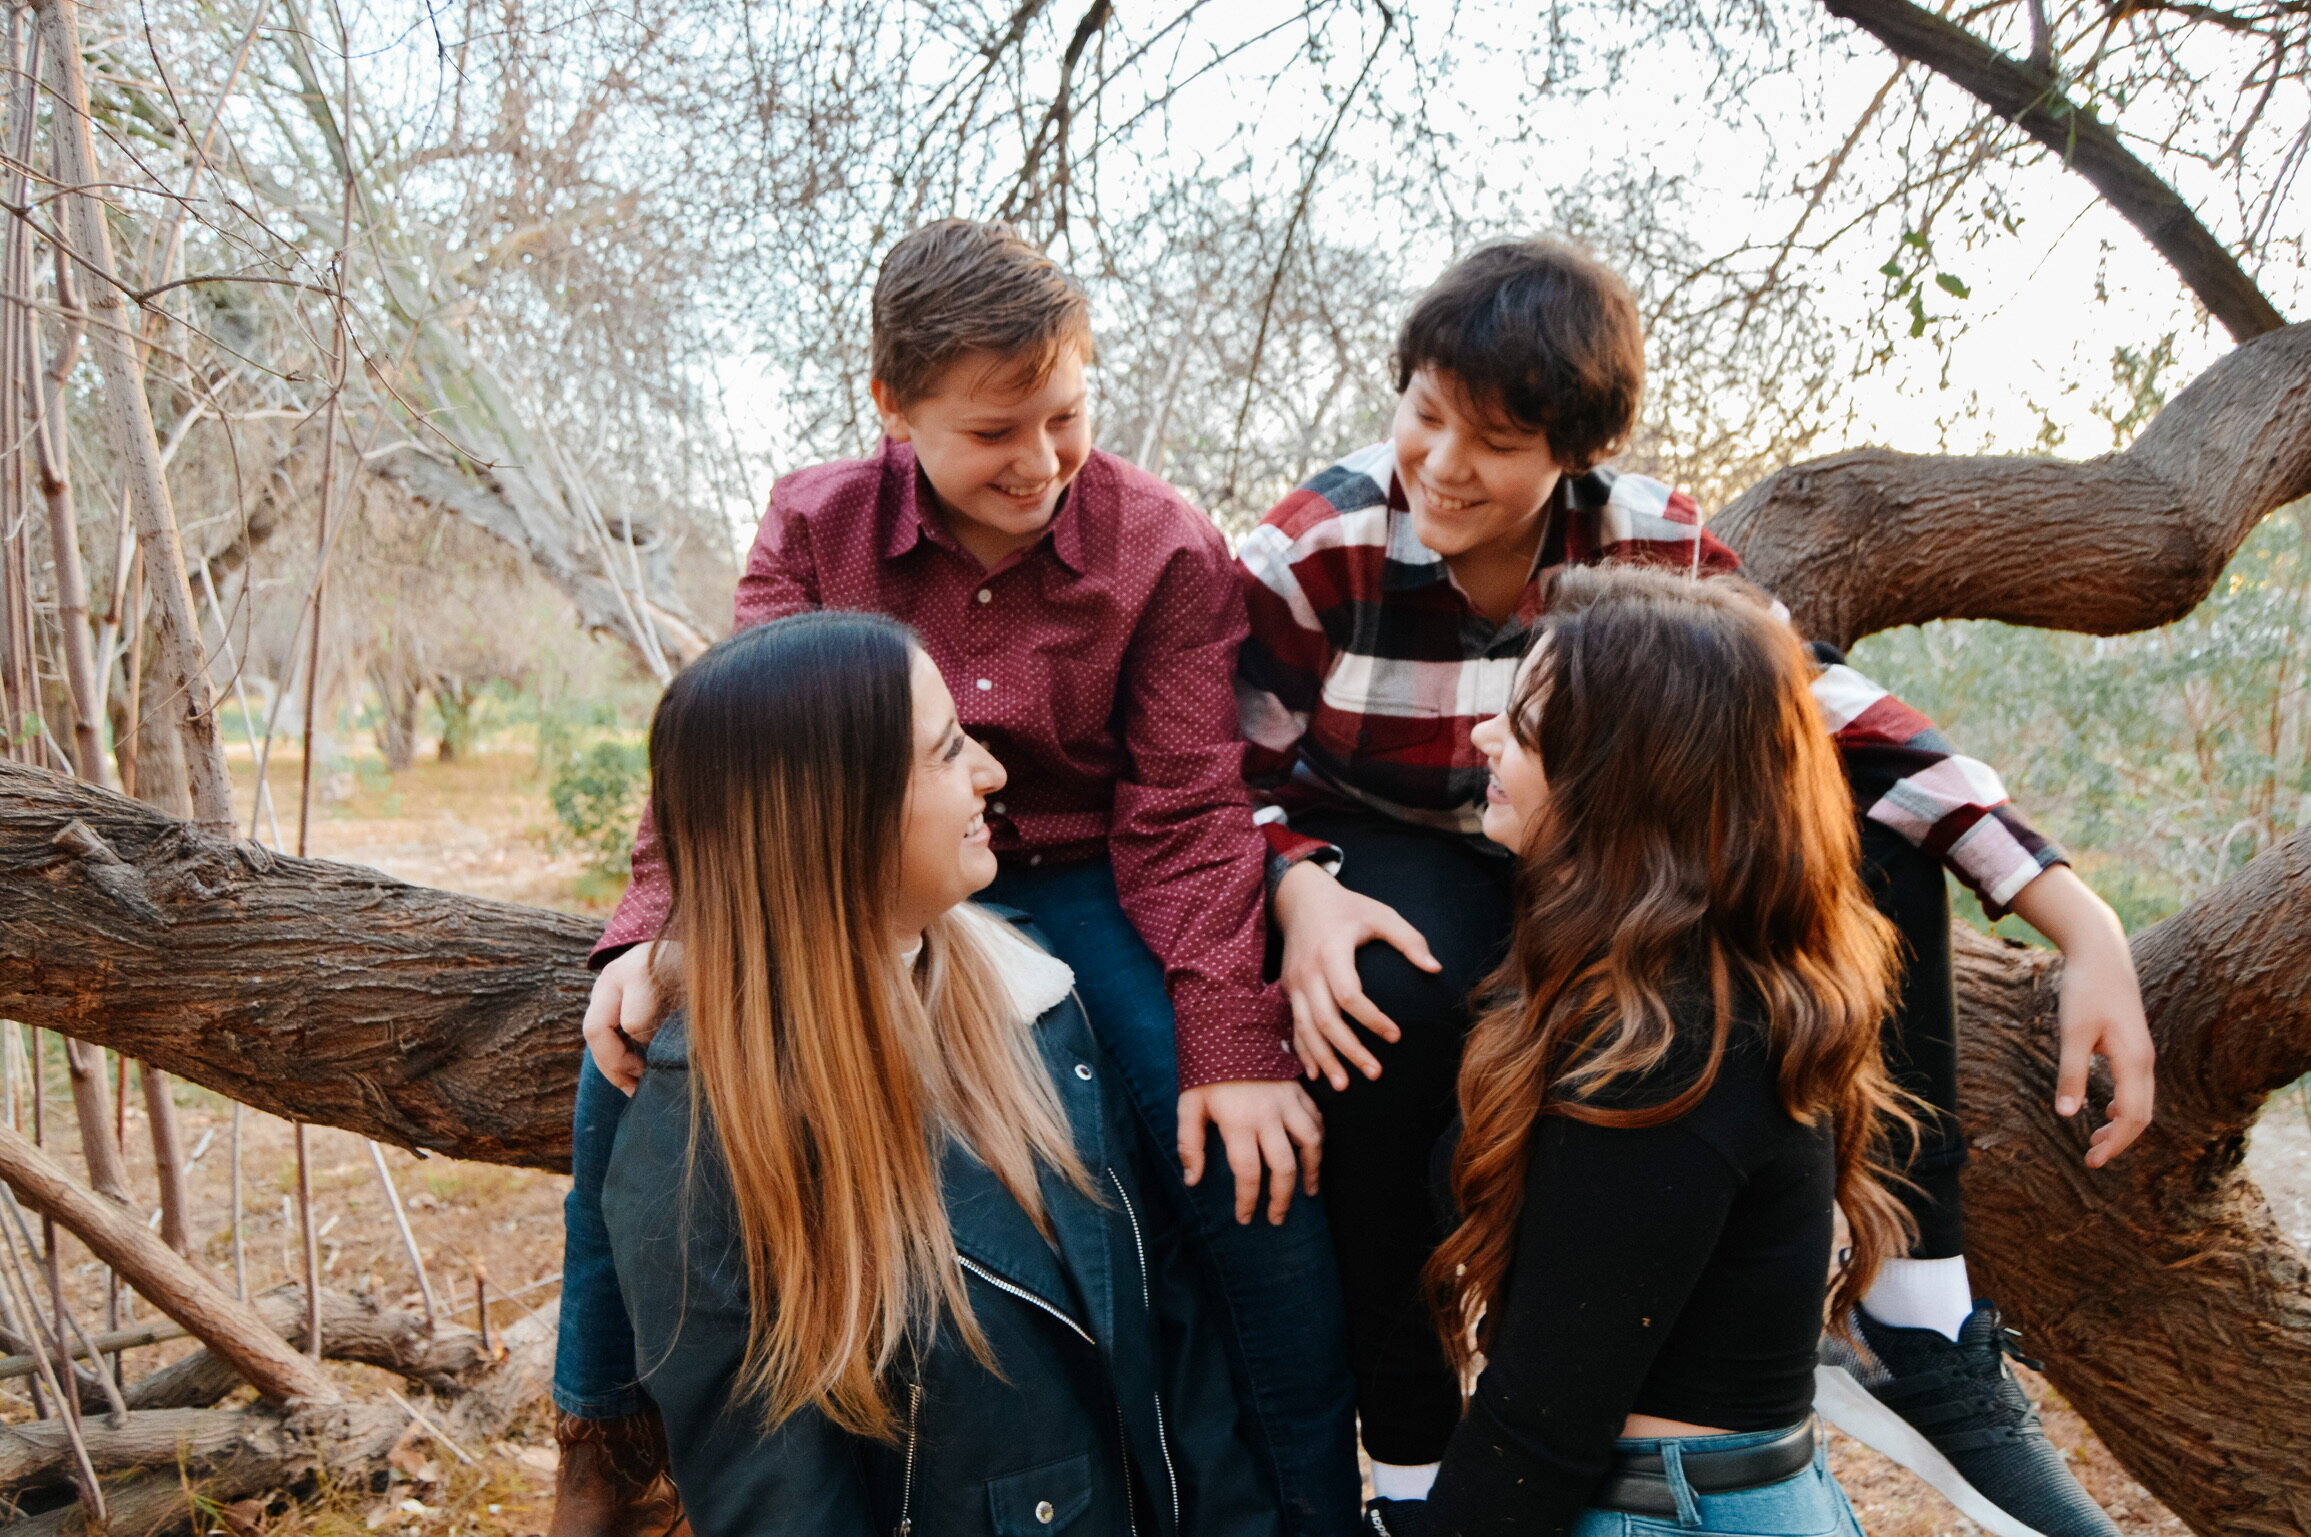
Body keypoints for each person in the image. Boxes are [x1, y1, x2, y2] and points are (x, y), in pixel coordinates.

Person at [1238, 238, 2152, 1536]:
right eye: (1424, 416)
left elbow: (1822, 710)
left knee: (1872, 833)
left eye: (1494, 442)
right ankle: (1409, 1450)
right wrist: (1296, 887)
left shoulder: (1645, 537)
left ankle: (1916, 1307)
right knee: (1389, 1000)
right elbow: (1203, 766)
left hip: (1587, 849)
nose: (1441, 464)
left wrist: (2076, 914)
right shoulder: (1314, 547)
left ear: (1575, 453)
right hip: (1382, 854)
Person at [558, 220, 1358, 1535]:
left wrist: (1227, 1034)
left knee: (1232, 1149)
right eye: (994, 431)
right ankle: (599, 1432)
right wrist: (665, 922)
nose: (1039, 461)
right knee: (633, 1052)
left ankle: (1309, 1499)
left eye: (1066, 416)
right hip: (874, 872)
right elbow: (738, 750)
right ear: (893, 406)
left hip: (1094, 875)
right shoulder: (817, 522)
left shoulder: (1160, 541)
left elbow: (1184, 804)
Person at [601, 611, 1282, 1537]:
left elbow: (1170, 1335)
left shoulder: (1036, 1004)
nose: (992, 773)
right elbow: (775, 1499)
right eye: (949, 748)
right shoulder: (704, 1129)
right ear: (838, 813)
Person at [1365, 565, 1908, 1536]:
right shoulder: (1718, 995)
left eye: (1524, 725)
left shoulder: (1667, 1062)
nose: (1484, 736)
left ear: (1623, 773)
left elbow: (1542, 1425)